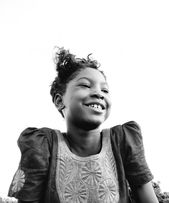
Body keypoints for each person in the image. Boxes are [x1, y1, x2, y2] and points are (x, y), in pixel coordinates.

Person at [8, 47, 159, 203]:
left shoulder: (123, 141)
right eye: (86, 86)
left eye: (105, 90)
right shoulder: (42, 146)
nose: (99, 93)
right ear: (59, 101)